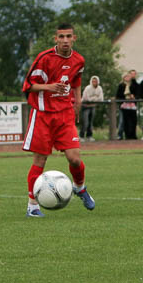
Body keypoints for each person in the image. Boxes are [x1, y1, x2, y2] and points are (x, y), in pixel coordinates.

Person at [21, 23, 95, 217]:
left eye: (68, 36)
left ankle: (79, 187)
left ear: (74, 38)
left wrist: (77, 103)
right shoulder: (44, 58)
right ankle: (32, 205)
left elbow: (76, 83)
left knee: (75, 159)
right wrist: (49, 87)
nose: (64, 40)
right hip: (43, 114)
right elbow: (28, 85)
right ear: (55, 39)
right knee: (40, 160)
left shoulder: (79, 60)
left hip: (65, 114)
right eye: (61, 37)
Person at [115, 72, 138, 140]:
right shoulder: (121, 85)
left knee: (133, 121)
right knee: (124, 121)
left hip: (132, 106)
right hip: (124, 106)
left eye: (128, 76)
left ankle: (133, 135)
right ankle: (123, 135)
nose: (127, 78)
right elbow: (118, 96)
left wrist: (133, 97)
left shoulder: (133, 85)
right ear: (123, 78)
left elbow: (137, 93)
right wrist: (124, 97)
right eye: (126, 77)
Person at [80, 75, 104, 141]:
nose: (94, 82)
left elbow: (101, 98)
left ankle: (89, 136)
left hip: (93, 107)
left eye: (95, 81)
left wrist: (93, 99)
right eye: (93, 81)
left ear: (98, 81)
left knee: (91, 122)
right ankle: (81, 136)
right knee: (85, 122)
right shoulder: (88, 88)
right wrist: (94, 98)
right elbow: (86, 98)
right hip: (85, 106)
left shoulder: (99, 88)